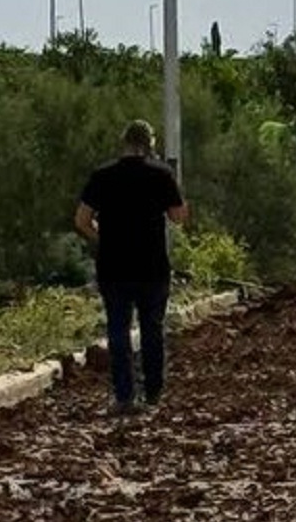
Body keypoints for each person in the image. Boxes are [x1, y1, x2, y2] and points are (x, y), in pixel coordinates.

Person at [73, 120, 189, 416]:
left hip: (114, 265)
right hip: (152, 265)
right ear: (150, 143)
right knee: (152, 329)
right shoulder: (161, 174)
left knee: (118, 330)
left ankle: (124, 396)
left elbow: (82, 220)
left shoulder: (102, 175)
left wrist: (103, 237)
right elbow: (178, 217)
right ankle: (153, 393)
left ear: (123, 141)